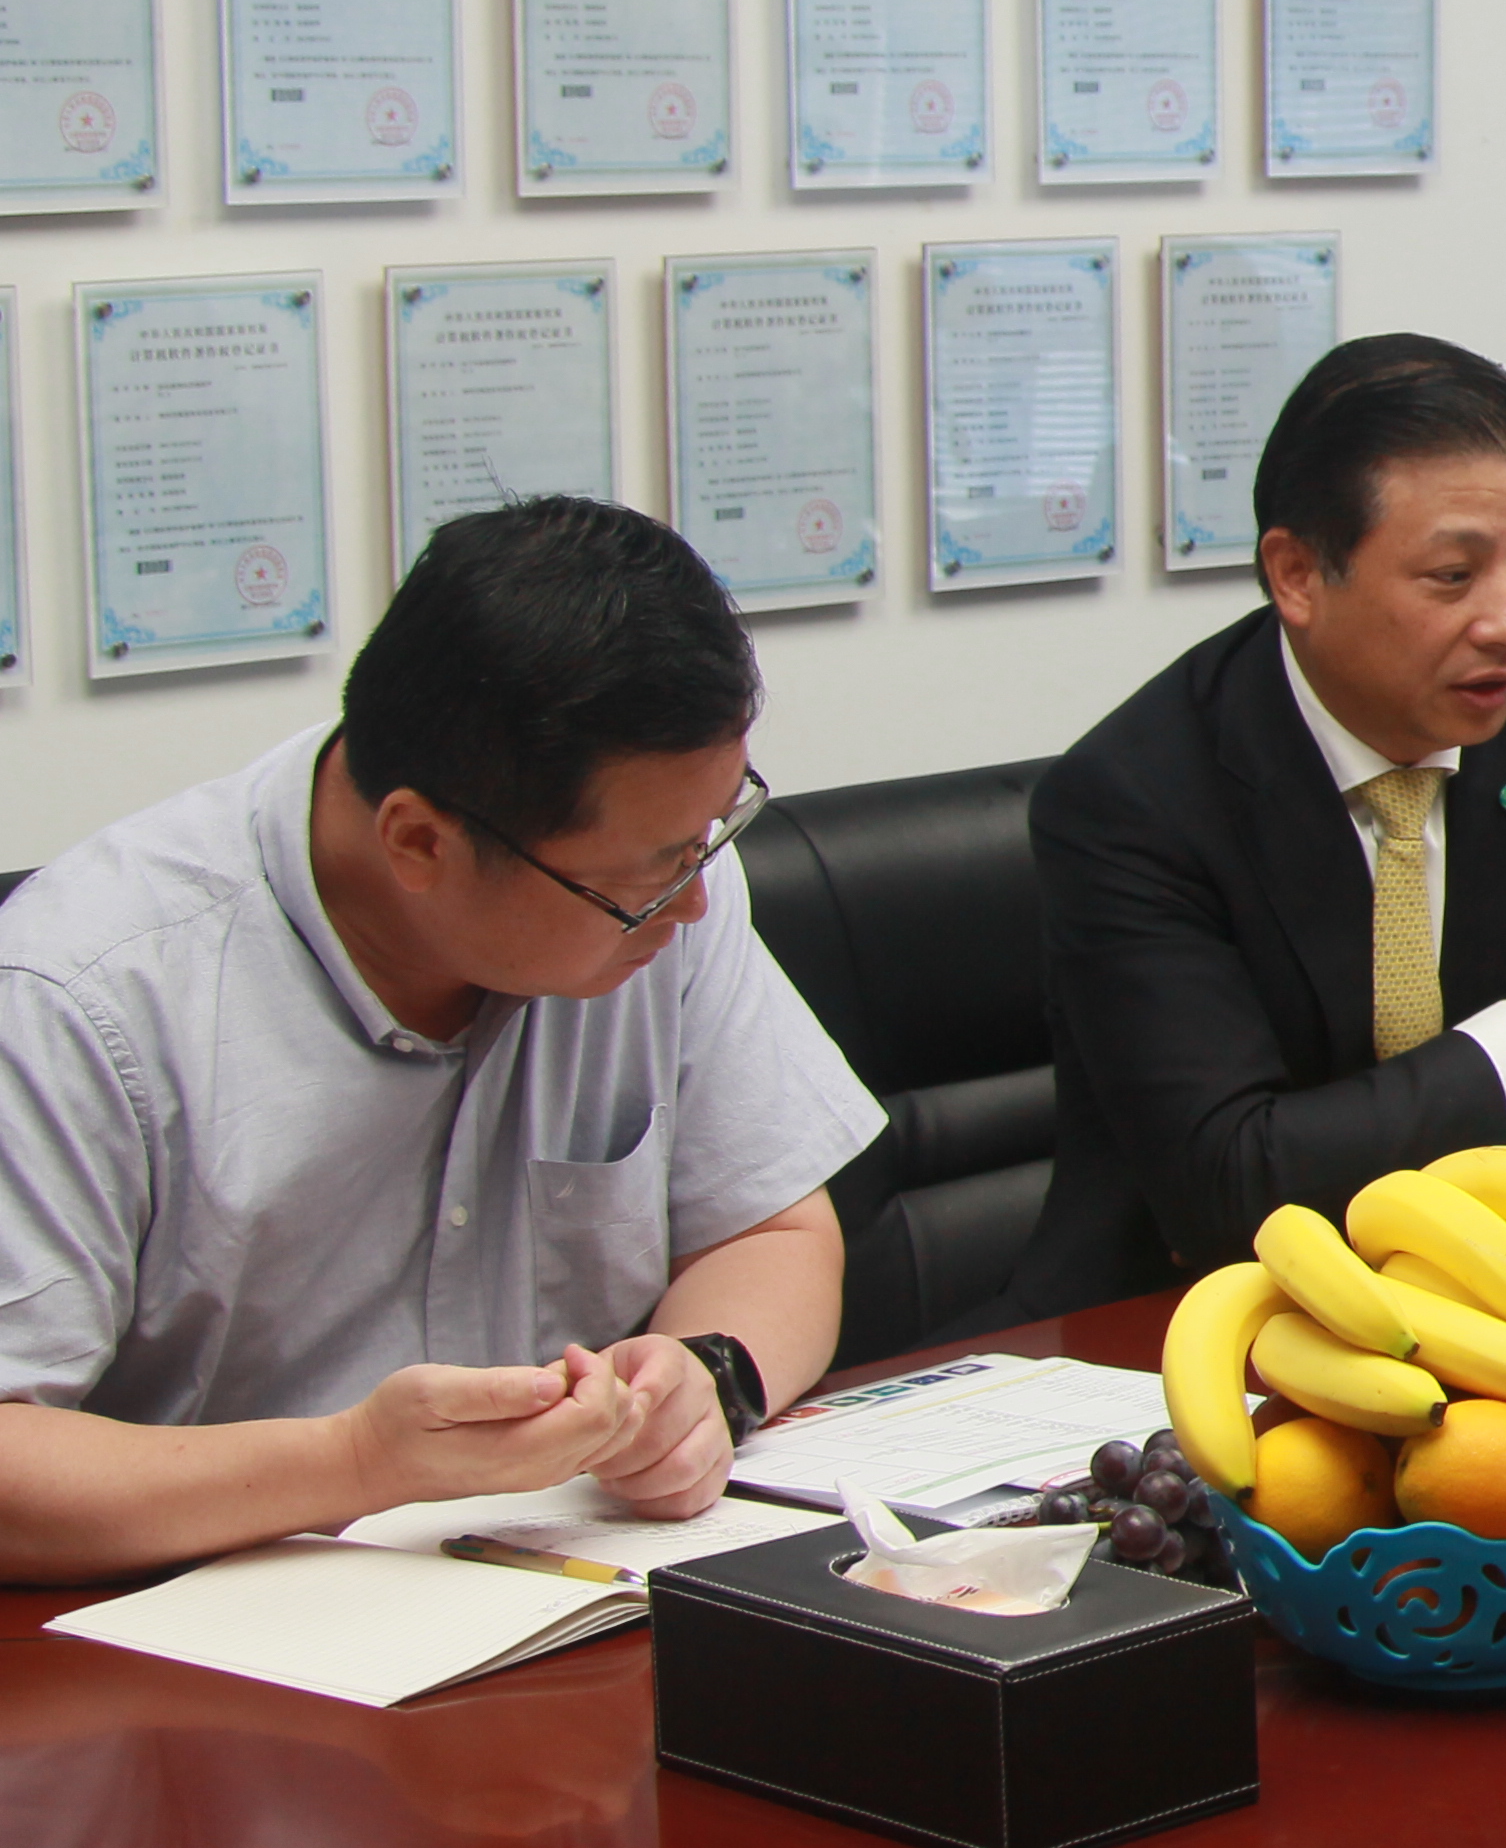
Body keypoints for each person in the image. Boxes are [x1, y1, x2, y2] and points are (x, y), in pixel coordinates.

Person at [0, 498, 875, 1582]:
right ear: (419, 841)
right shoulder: (81, 995)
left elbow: (776, 1232)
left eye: (710, 836)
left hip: (570, 1591)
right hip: (201, 1631)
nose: (692, 900)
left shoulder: (658, 881)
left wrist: (705, 1376)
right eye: (647, 878)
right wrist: (354, 1464)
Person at [1017, 334, 1506, 1306]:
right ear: (1297, 575)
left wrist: (1461, 1232)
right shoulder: (1134, 799)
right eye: (1452, 576)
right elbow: (1230, 1188)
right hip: (1176, 1334)